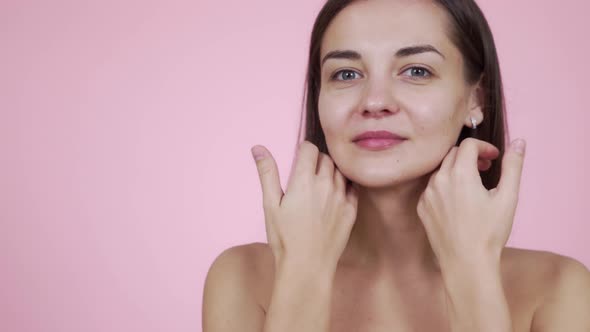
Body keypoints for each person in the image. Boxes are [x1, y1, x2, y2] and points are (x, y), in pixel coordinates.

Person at [202, 0, 590, 331]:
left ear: (476, 99)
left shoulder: (558, 289)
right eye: (346, 74)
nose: (374, 101)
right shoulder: (244, 278)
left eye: (416, 71)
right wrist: (303, 274)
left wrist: (471, 272)